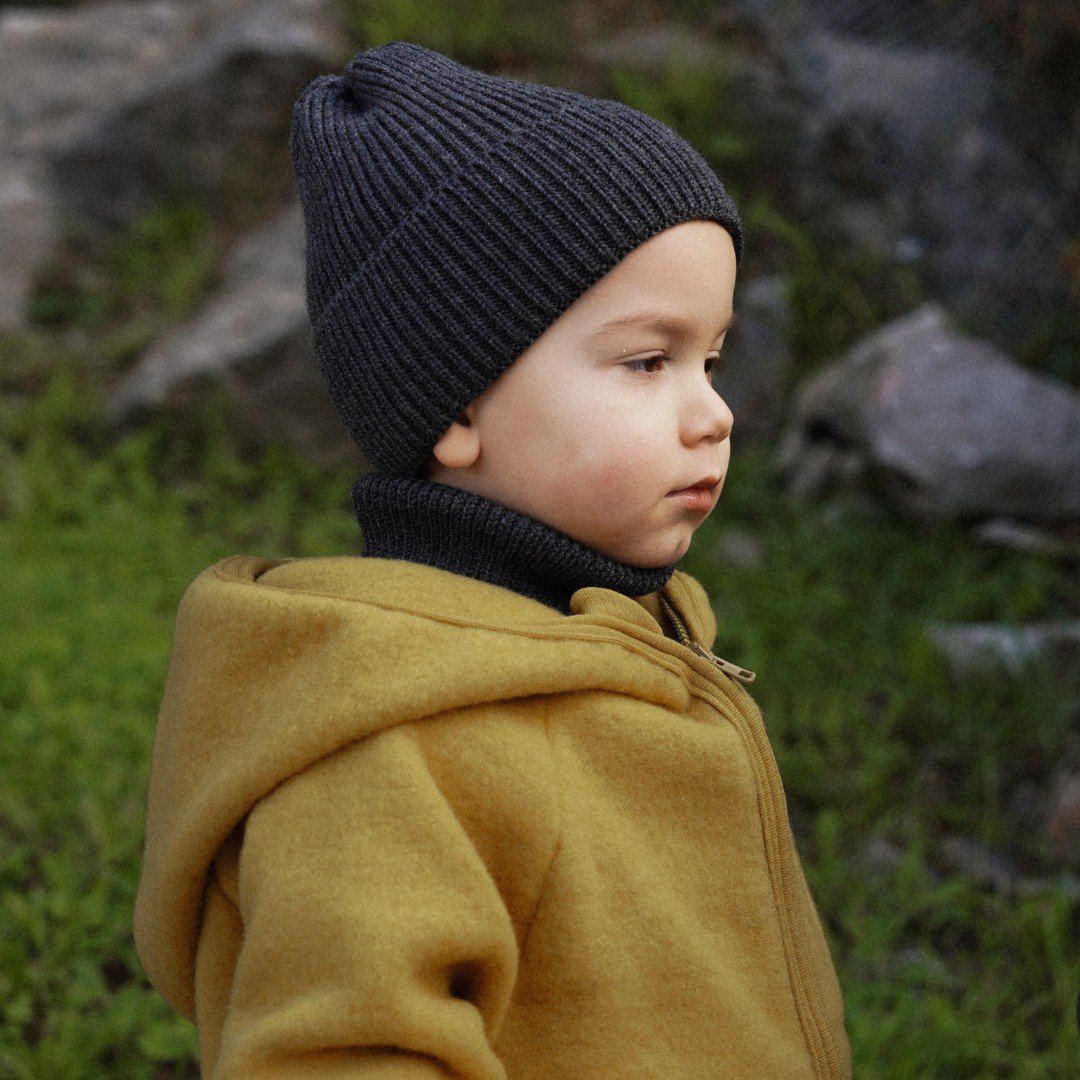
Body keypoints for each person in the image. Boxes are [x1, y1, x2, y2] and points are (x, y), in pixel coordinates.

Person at [134, 41, 851, 1080]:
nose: (714, 415)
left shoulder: (631, 641)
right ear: (459, 405)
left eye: (712, 359)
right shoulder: (395, 746)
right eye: (649, 362)